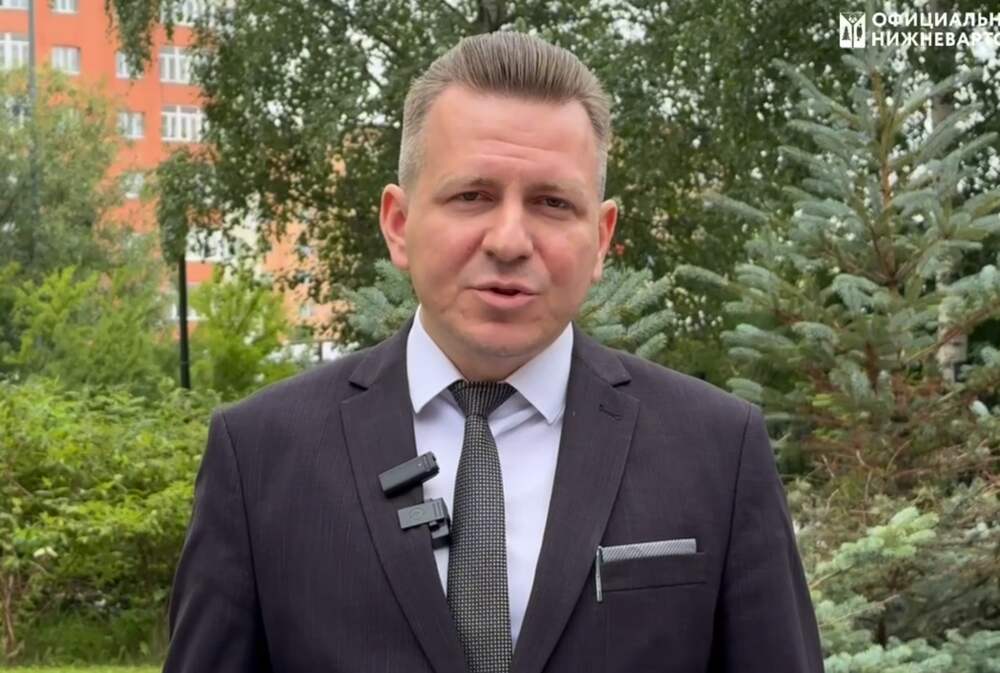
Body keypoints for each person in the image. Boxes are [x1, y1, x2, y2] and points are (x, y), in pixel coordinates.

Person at [163, 31, 824, 673]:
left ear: (601, 237)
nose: (509, 239)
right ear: (399, 223)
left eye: (552, 202)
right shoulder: (259, 457)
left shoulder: (719, 451)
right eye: (472, 196)